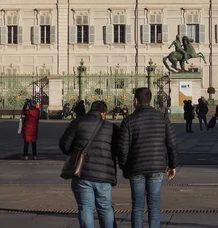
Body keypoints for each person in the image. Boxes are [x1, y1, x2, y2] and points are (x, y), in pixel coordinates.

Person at [118, 88, 178, 228]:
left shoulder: (129, 120)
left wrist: (124, 167)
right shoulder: (162, 118)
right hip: (157, 167)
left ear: (136, 101)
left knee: (137, 207)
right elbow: (172, 143)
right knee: (154, 206)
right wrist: (172, 165)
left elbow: (122, 148)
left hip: (136, 167)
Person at [59, 100, 119, 228]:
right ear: (103, 113)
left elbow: (64, 145)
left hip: (82, 172)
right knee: (105, 208)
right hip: (104, 174)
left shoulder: (77, 122)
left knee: (85, 208)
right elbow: (118, 149)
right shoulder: (111, 128)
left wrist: (76, 151)